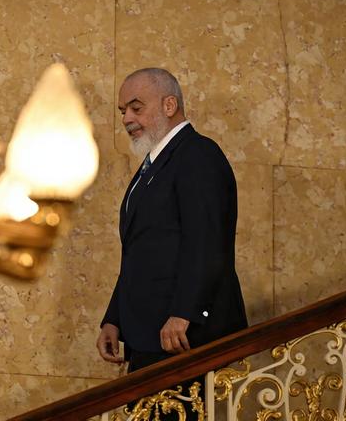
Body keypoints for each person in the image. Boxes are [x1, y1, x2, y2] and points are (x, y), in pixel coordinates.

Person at [96, 67, 248, 397]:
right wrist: (115, 319)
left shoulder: (198, 155)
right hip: (149, 334)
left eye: (137, 108)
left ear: (169, 105)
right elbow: (143, 252)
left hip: (181, 336)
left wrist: (184, 313)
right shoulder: (153, 166)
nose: (126, 119)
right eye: (123, 111)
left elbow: (207, 243)